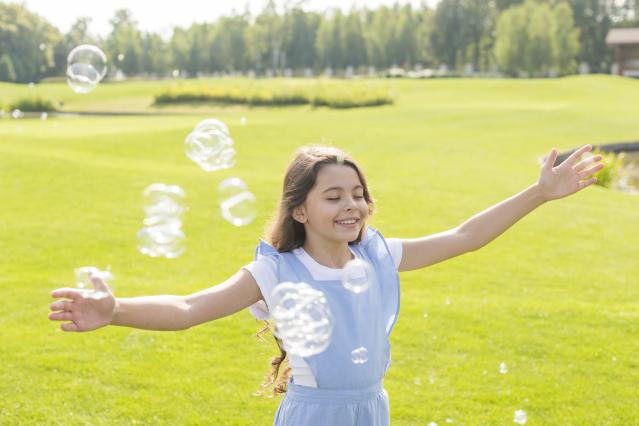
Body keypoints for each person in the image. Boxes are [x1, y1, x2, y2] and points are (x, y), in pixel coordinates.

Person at [48, 144, 604, 426]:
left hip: (371, 408)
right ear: (300, 211)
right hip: (316, 415)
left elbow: (464, 236)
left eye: (357, 194)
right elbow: (191, 306)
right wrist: (115, 309)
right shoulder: (275, 270)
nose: (352, 205)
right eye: (333, 196)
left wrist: (539, 194)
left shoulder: (380, 255)